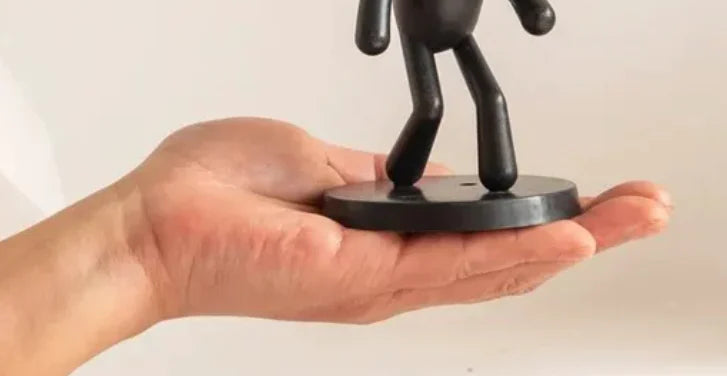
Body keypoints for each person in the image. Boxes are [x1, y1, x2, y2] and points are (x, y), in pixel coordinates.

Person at [0, 118, 671, 375]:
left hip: (452, 34)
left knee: (483, 92)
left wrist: (143, 242)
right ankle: (409, 171)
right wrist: (146, 243)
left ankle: (497, 172)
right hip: (422, 37)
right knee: (431, 106)